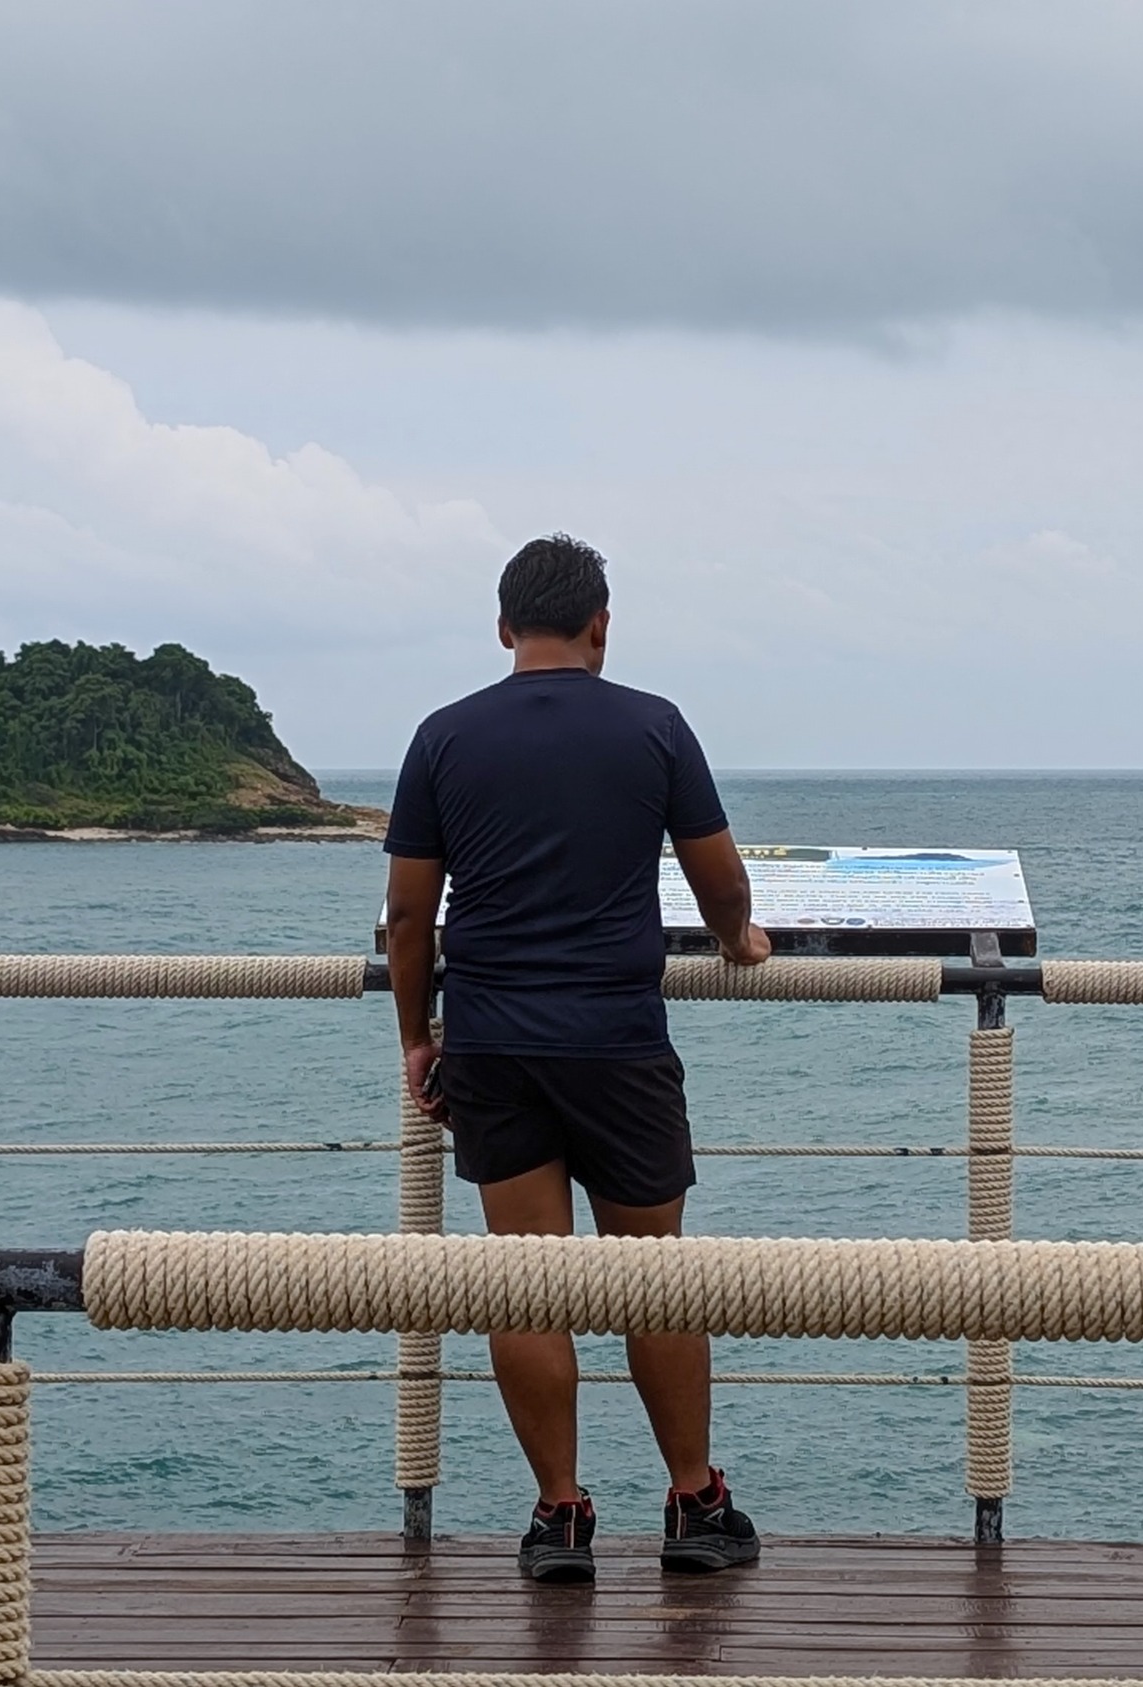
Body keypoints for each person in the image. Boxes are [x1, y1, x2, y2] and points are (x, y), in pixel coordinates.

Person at [382, 534, 772, 1584]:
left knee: (527, 1287)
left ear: (505, 628)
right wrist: (740, 942)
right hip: (618, 1040)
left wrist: (420, 1036)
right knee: (655, 1282)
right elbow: (720, 882)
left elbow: (409, 916)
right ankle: (693, 1502)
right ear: (602, 624)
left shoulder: (443, 737)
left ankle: (560, 1516)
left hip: (497, 1043)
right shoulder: (654, 725)